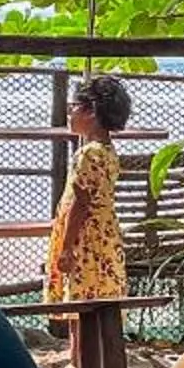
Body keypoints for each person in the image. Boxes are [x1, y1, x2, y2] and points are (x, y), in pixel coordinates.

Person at [46, 72, 132, 304]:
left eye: (74, 106)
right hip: (103, 234)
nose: (69, 113)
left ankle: (80, 342)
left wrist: (66, 247)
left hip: (84, 238)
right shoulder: (108, 151)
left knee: (80, 300)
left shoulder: (88, 154)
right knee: (97, 300)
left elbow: (81, 202)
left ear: (91, 111)